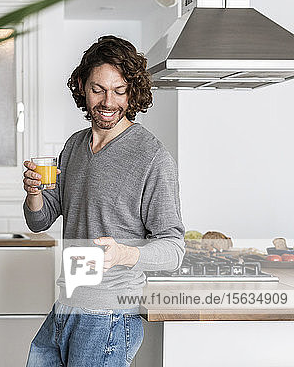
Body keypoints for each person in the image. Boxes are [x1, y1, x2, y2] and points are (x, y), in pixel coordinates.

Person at [22, 35, 185, 367]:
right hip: (66, 305)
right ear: (82, 86)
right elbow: (39, 222)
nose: (109, 101)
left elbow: (174, 249)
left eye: (119, 90)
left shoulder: (151, 157)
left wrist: (124, 253)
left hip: (109, 315)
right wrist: (35, 194)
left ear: (132, 92)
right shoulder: (74, 146)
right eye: (98, 89)